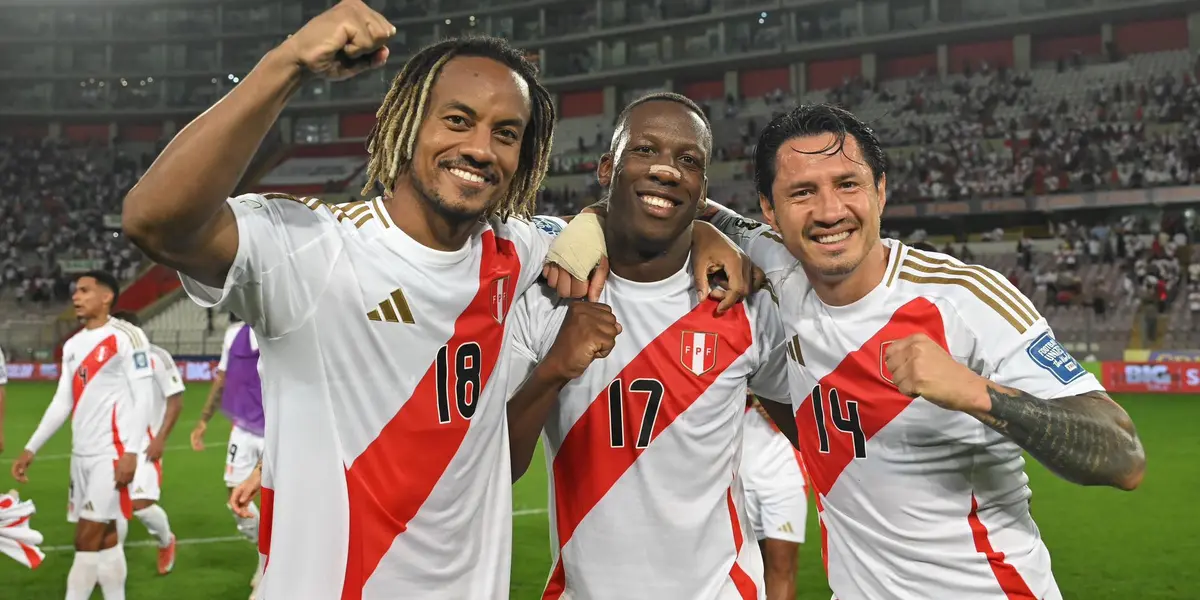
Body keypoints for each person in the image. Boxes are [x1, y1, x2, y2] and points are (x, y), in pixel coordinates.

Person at [120, 2, 750, 597]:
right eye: (457, 120)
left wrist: (707, 231)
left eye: (506, 133)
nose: (480, 148)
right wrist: (286, 64)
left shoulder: (518, 252)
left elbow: (628, 215)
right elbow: (155, 222)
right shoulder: (312, 249)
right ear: (405, 122)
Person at [701, 103, 1147, 599]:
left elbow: (1123, 457)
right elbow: (689, 205)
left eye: (848, 184)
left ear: (880, 191)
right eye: (802, 192)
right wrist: (698, 233)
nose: (829, 211)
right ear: (769, 209)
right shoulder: (778, 266)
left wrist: (977, 394)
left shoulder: (962, 300)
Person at [506, 93, 793, 600]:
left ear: (703, 192)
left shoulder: (741, 303)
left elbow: (820, 441)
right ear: (606, 168)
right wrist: (552, 372)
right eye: (645, 150)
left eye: (689, 160)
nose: (667, 169)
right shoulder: (547, 300)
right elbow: (495, 469)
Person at [11, 271, 155, 600]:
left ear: (106, 297)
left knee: (85, 540)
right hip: (82, 455)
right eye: (75, 291)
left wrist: (132, 452)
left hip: (112, 454)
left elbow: (144, 395)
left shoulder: (127, 335)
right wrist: (31, 448)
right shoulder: (73, 345)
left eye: (85, 290)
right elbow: (62, 402)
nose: (76, 297)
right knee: (106, 539)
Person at [190, 313, 267, 596]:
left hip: (279, 429)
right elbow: (222, 379)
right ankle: (266, 557)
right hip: (243, 431)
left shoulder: (285, 325)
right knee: (237, 501)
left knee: (284, 503)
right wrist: (203, 419)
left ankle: (274, 568)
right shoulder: (233, 334)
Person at [109, 311, 182, 576]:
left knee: (141, 505)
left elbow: (176, 399)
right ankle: (109, 565)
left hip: (145, 444)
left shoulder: (157, 357)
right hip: (112, 444)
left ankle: (165, 541)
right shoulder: (110, 360)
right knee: (110, 508)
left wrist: (160, 438)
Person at [740, 393, 807, 600]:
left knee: (781, 566)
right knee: (742, 570)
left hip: (784, 475)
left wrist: (780, 405)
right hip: (738, 477)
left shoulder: (790, 372)